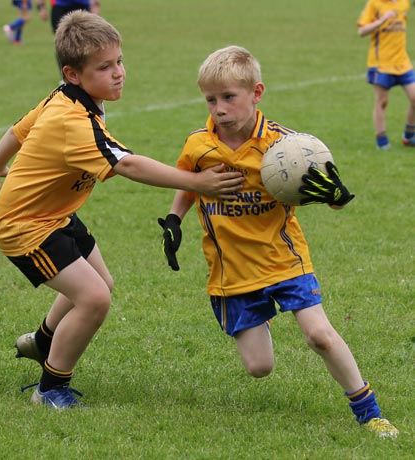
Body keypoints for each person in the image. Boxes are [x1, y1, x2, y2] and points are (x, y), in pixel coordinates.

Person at [0, 11, 244, 409]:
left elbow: (16, 132)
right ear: (74, 73)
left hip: (55, 215)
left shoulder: (65, 95)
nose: (119, 73)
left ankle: (42, 341)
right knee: (95, 299)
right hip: (24, 227)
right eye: (105, 67)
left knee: (103, 283)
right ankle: (50, 389)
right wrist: (197, 183)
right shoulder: (73, 120)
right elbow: (128, 164)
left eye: (119, 61)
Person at [158, 45, 398, 438]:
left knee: (319, 335)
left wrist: (335, 196)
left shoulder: (289, 148)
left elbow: (322, 191)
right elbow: (188, 182)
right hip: (231, 268)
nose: (219, 108)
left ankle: (369, 411)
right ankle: (260, 315)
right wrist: (173, 218)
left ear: (256, 93)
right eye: (211, 99)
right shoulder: (198, 144)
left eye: (229, 97)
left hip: (283, 258)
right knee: (259, 367)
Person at [357, 0, 415, 150]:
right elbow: (362, 31)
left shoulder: (404, 3)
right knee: (382, 101)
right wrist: (382, 20)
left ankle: (409, 135)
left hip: (402, 62)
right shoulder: (374, 4)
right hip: (380, 63)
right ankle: (382, 141)